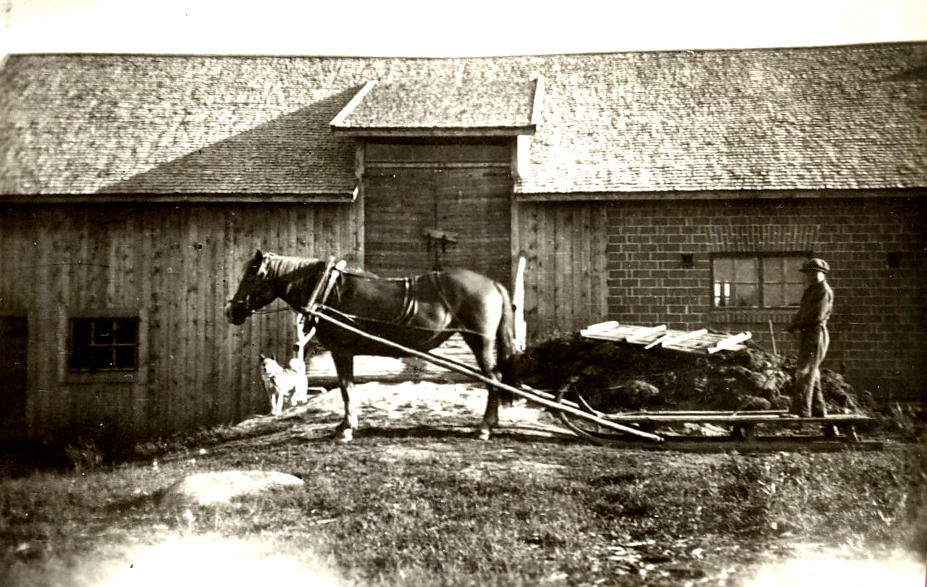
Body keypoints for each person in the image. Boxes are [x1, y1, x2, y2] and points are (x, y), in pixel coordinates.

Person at [787, 258, 834, 423]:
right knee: (811, 371)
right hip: (808, 333)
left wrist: (798, 324)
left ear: (822, 273)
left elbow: (816, 315)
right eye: (808, 273)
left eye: (813, 272)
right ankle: (818, 408)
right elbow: (802, 311)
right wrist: (794, 324)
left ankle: (801, 410)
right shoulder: (810, 291)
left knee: (805, 371)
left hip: (816, 334)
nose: (809, 276)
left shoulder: (823, 291)